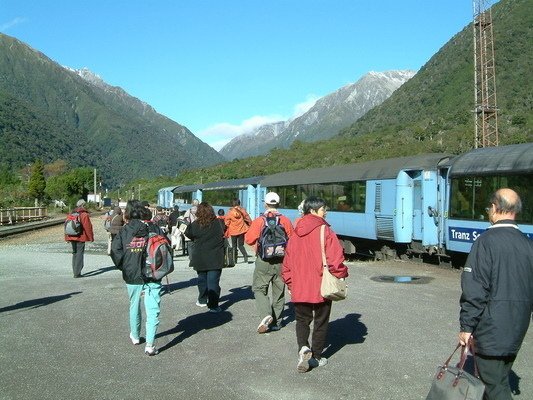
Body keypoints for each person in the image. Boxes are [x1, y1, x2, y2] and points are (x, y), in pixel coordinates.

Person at [458, 188, 533, 399]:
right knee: (497, 379)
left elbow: (475, 289)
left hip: (491, 329)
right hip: (517, 328)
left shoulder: (485, 241)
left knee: (495, 386)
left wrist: (467, 326)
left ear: (494, 208)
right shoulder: (528, 245)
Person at [282, 196, 348, 373]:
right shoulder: (325, 231)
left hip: (300, 286)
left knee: (302, 320)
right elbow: (336, 259)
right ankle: (316, 357)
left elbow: (287, 262)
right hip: (321, 286)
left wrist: (290, 283)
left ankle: (303, 348)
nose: (325, 212)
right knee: (321, 321)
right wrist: (341, 274)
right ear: (312, 210)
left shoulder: (295, 233)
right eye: (322, 209)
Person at [110, 200, 164, 356]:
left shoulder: (125, 230)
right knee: (153, 309)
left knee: (134, 305)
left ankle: (135, 335)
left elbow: (116, 251)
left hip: (132, 274)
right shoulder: (155, 228)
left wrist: (125, 266)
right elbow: (165, 249)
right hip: (153, 273)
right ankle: (150, 344)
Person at [245, 192, 294, 333]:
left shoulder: (260, 220)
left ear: (265, 204)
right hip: (281, 261)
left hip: (263, 260)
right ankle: (277, 322)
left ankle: (266, 314)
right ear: (278, 204)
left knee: (259, 289)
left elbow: (248, 239)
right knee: (279, 291)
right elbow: (292, 239)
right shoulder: (285, 220)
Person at [184, 202, 225, 313]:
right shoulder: (220, 223)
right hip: (216, 257)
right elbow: (225, 232)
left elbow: (188, 234)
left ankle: (202, 299)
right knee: (213, 282)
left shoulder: (195, 225)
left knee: (202, 279)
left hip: (200, 257)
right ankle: (213, 305)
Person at [64, 199, 94, 278]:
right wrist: (91, 238)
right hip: (80, 237)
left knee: (74, 253)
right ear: (83, 205)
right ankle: (77, 273)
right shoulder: (84, 214)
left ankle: (75, 270)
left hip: (71, 236)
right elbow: (88, 227)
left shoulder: (72, 213)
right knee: (80, 254)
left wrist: (66, 238)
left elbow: (66, 225)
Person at [225, 199, 252, 264]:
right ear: (239, 203)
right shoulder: (242, 210)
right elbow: (248, 218)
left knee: (234, 245)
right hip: (241, 230)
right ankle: (245, 256)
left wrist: (227, 227)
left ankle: (235, 259)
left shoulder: (230, 212)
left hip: (233, 231)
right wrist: (250, 224)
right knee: (241, 245)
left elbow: (227, 222)